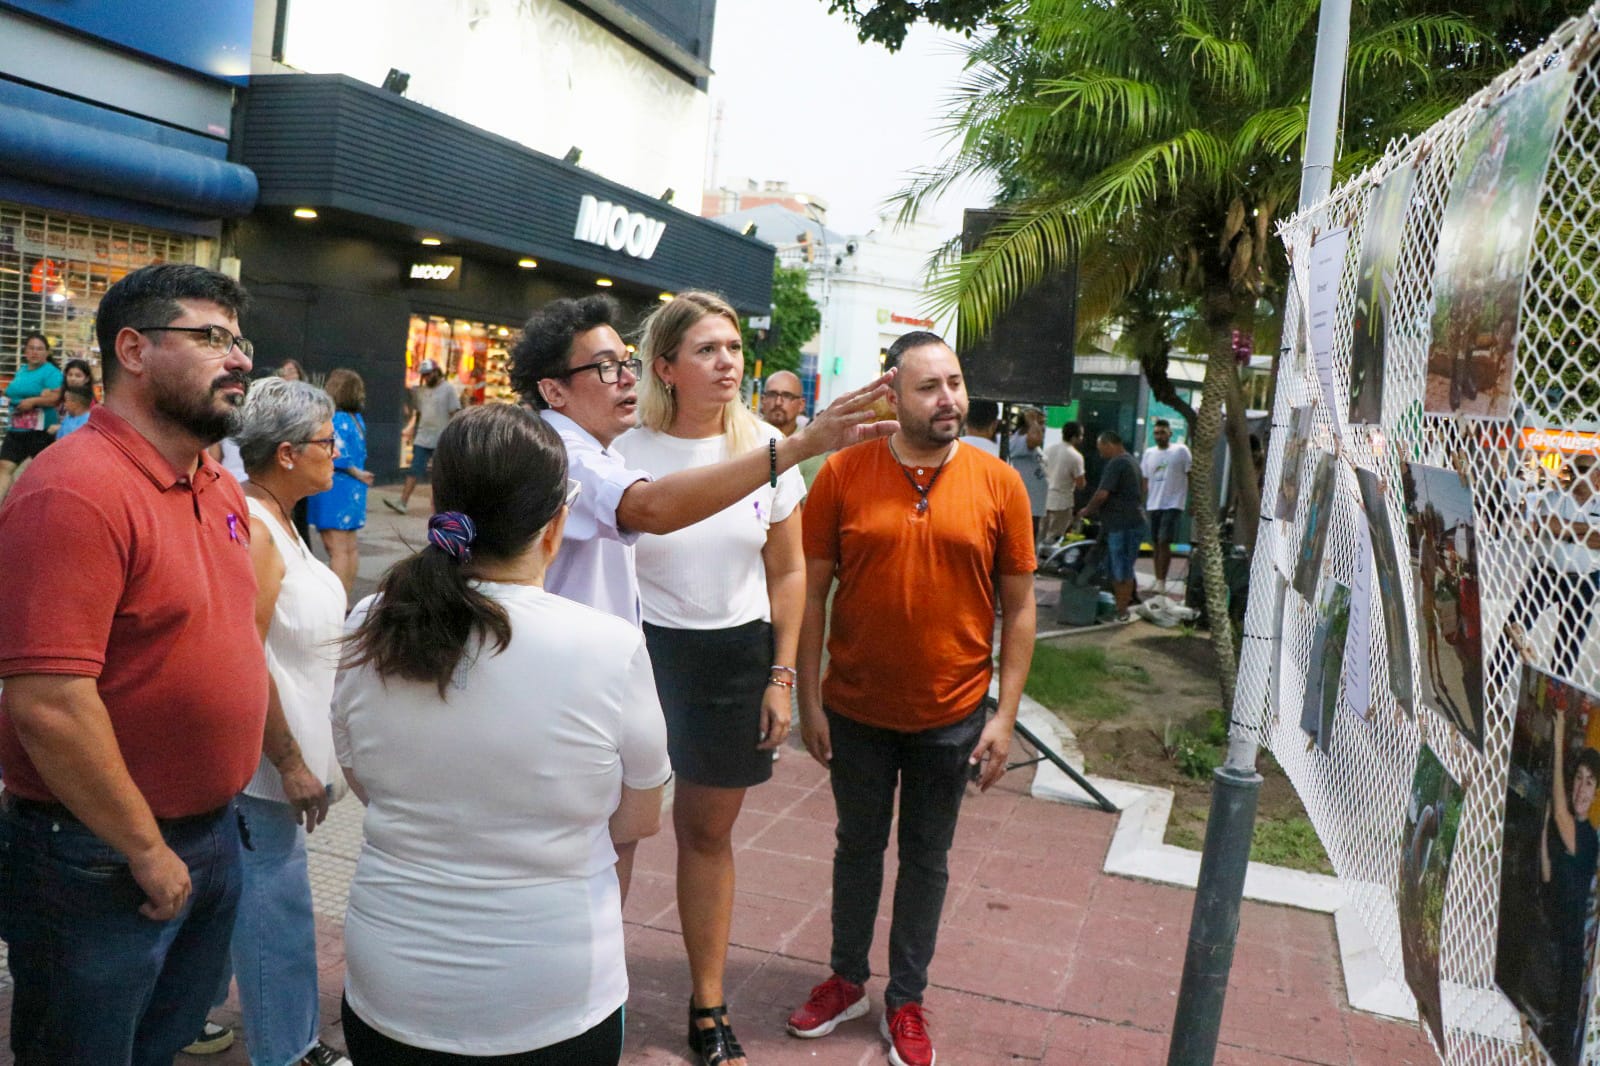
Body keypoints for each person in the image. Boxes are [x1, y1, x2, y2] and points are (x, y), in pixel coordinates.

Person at [333, 405, 670, 1064]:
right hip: (555, 996)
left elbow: (364, 781)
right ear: (556, 524)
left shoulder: (371, 620)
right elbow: (639, 817)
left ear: (440, 504)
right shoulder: (608, 646)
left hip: (391, 984)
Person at [0, 263, 266, 1064]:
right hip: (97, 855)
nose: (240, 359)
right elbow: (47, 702)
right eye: (212, 337)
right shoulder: (73, 490)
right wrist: (146, 850)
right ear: (133, 350)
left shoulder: (214, 483)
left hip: (209, 834)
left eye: (239, 339)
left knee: (162, 1043)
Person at [787, 331, 1036, 1066]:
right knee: (856, 848)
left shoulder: (1000, 485)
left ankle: (907, 1000)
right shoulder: (844, 472)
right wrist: (808, 700)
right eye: (930, 387)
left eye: (955, 383)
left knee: (928, 859)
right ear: (891, 393)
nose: (949, 399)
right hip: (856, 711)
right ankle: (845, 979)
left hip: (952, 716)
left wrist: (1005, 714)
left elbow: (1020, 610)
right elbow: (812, 594)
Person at [615, 292, 807, 1066]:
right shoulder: (625, 450)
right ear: (666, 366)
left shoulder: (766, 445)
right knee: (617, 831)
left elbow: (789, 569)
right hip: (638, 654)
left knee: (707, 833)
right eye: (707, 350)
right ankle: (596, 991)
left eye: (732, 347)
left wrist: (782, 674)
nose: (727, 361)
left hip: (735, 658)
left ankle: (708, 1000)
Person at [507, 293, 895, 625]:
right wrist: (800, 446)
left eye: (626, 363)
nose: (627, 378)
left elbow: (789, 570)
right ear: (553, 392)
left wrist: (782, 673)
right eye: (607, 367)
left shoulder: (598, 449)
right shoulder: (561, 455)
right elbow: (651, 508)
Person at [201, 377, 350, 1066]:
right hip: (261, 772)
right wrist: (288, 761)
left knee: (263, 914)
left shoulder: (283, 521)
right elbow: (241, 653)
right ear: (287, 454)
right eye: (326, 440)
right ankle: (288, 1052)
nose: (338, 449)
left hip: (279, 767)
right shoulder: (257, 530)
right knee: (275, 923)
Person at [1541, 707, 1600, 1066]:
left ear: (1596, 795)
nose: (1580, 788)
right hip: (1549, 956)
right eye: (1577, 778)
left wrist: (1560, 734)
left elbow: (1563, 814)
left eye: (1589, 782)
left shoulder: (1588, 840)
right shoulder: (1568, 837)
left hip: (1566, 972)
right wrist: (1544, 830)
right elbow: (1547, 873)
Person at [307, 369, 375, 598]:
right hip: (355, 490)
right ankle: (345, 597)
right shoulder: (358, 420)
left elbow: (339, 455)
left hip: (335, 486)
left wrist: (355, 472)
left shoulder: (335, 419)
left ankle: (337, 602)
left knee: (335, 549)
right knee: (349, 547)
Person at [1079, 430, 1146, 620]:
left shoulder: (1117, 463)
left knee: (1120, 568)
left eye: (1102, 450)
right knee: (1124, 566)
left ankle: (1121, 610)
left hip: (1121, 523)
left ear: (1110, 445)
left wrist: (1087, 510)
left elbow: (1102, 493)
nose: (1101, 455)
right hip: (1132, 521)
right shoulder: (1132, 461)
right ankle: (1122, 605)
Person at [386, 358, 460, 514]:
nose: (426, 378)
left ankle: (441, 506)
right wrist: (412, 428)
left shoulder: (448, 389)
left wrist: (453, 436)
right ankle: (402, 502)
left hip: (441, 438)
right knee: (414, 469)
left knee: (440, 475)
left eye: (428, 374)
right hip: (423, 437)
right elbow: (418, 413)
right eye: (424, 375)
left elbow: (455, 413)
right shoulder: (422, 391)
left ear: (435, 372)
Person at [0, 331, 64, 502]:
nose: (35, 352)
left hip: (41, 432)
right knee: (4, 467)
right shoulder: (22, 371)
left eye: (40, 349)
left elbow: (57, 398)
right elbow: (13, 391)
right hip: (17, 428)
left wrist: (33, 401)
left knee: (44, 476)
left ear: (47, 353)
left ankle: (48, 509)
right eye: (31, 348)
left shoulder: (51, 373)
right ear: (25, 351)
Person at [1140, 418, 1192, 592]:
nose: (1159, 436)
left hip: (1173, 503)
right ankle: (1157, 578)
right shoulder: (1149, 453)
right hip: (1153, 504)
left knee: (1164, 541)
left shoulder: (1181, 451)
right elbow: (1145, 480)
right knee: (1155, 542)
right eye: (1156, 433)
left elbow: (1190, 475)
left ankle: (1162, 581)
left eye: (1162, 432)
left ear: (1170, 433)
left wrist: (1192, 502)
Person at [1042, 421, 1086, 544]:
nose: (1082, 438)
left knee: (1040, 533)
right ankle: (1049, 560)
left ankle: (1036, 559)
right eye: (1081, 435)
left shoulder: (1048, 449)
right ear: (1074, 437)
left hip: (1044, 498)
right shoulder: (1075, 456)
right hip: (1062, 501)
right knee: (1055, 535)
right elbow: (1081, 483)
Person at [1007, 408, 1048, 539]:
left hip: (1034, 506)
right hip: (1025, 506)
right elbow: (1036, 438)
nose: (1042, 427)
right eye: (1040, 423)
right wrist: (1032, 420)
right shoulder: (1019, 441)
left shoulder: (1029, 443)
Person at [760, 369, 806, 437]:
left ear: (801, 405)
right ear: (763, 400)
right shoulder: (745, 437)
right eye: (772, 395)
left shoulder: (808, 443)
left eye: (787, 396)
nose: (778, 402)